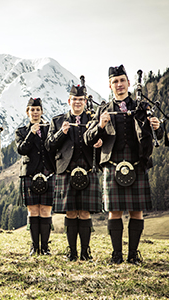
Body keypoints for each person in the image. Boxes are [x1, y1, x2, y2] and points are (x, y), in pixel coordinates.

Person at [84, 65, 162, 264]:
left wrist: (158, 127)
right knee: (114, 211)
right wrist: (100, 126)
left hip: (137, 163)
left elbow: (158, 136)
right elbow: (87, 138)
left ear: (128, 82)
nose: (119, 85)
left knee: (137, 210)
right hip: (112, 164)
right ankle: (116, 255)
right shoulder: (103, 110)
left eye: (122, 81)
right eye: (115, 82)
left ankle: (133, 255)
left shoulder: (142, 108)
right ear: (110, 85)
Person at [45, 85, 103, 261]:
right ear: (69, 101)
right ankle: (72, 252)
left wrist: (99, 144)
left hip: (88, 170)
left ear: (85, 102)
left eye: (81, 100)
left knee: (84, 212)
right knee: (70, 212)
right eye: (74, 100)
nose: (77, 103)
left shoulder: (93, 120)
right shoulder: (57, 121)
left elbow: (104, 142)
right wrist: (61, 134)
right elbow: (48, 145)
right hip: (66, 172)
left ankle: (85, 252)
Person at [15, 98, 55, 256]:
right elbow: (21, 150)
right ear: (27, 112)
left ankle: (45, 248)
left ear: (42, 111)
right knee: (33, 211)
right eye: (32, 110)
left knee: (45, 211)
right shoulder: (21, 131)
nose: (35, 112)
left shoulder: (49, 129)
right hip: (29, 174)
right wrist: (31, 134)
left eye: (38, 109)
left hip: (47, 174)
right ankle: (34, 247)